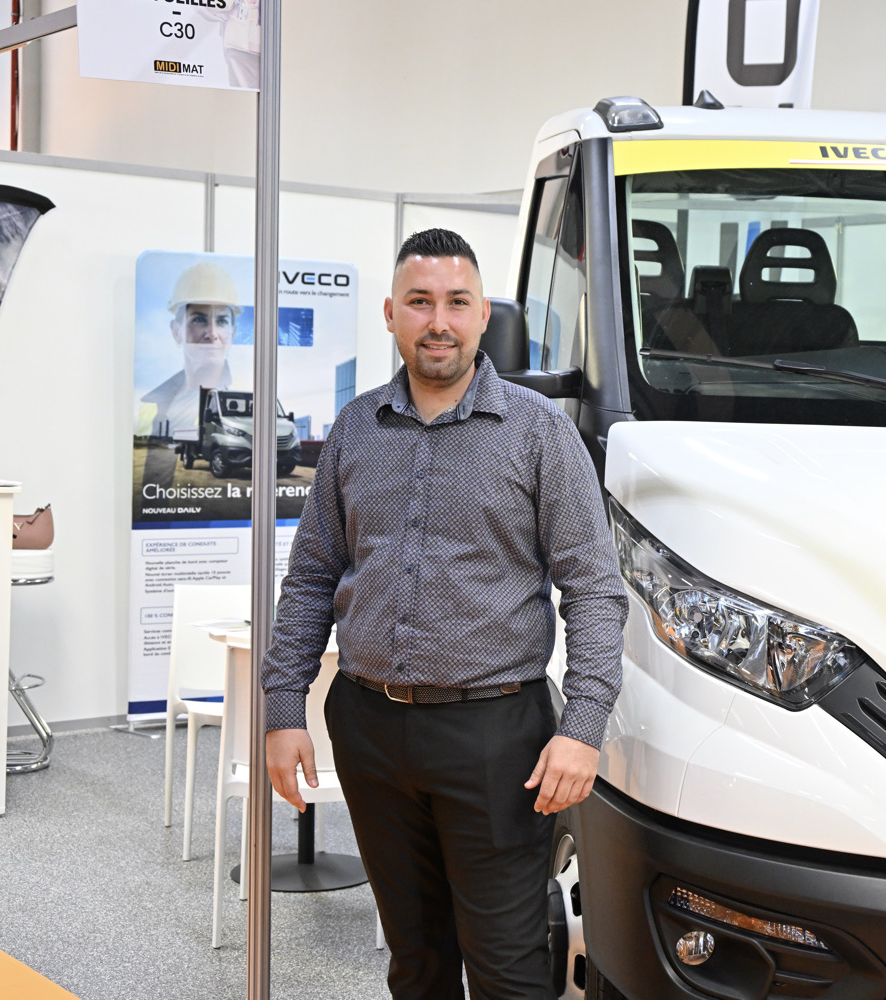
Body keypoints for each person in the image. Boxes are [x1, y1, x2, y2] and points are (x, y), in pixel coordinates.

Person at [262, 229, 627, 1000]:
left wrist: (584, 725)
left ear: (483, 314)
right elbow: (312, 577)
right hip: (368, 728)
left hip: (495, 736)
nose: (439, 322)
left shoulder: (538, 431)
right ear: (391, 314)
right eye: (420, 302)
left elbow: (594, 587)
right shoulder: (356, 428)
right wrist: (284, 708)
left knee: (508, 967)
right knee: (416, 960)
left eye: (457, 303)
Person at [142, 261, 240, 440]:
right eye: (199, 320)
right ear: (176, 332)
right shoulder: (152, 404)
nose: (212, 334)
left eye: (221, 321)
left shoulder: (245, 399)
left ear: (232, 333)